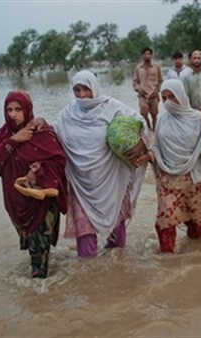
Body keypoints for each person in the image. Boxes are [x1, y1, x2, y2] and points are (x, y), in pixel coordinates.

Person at [51, 70, 149, 258]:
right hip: (81, 183)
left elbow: (140, 123)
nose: (81, 95)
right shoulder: (68, 113)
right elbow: (54, 133)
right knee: (86, 249)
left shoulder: (112, 107)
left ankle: (114, 272)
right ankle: (91, 276)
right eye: (77, 90)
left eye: (85, 89)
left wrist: (139, 146)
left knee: (117, 243)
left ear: (94, 88)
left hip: (111, 179)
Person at [135, 80, 201, 253]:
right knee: (165, 221)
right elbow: (157, 148)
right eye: (165, 98)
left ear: (182, 96)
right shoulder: (162, 121)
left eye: (172, 97)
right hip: (167, 179)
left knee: (195, 222)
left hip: (195, 178)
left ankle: (196, 258)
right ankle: (167, 259)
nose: (169, 103)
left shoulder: (198, 119)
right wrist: (147, 156)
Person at [0, 91, 67, 278]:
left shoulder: (42, 133)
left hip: (41, 202)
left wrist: (37, 169)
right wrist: (15, 140)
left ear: (27, 109)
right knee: (33, 247)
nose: (12, 114)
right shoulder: (5, 133)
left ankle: (38, 298)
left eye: (18, 109)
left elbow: (58, 160)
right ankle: (38, 286)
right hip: (16, 201)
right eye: (9, 109)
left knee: (40, 249)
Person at [133, 47, 163, 131]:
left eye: (149, 54)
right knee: (143, 113)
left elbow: (160, 81)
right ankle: (148, 127)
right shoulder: (138, 68)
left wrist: (157, 90)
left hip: (153, 94)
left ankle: (154, 131)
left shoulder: (156, 67)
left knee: (154, 114)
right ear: (142, 56)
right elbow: (135, 82)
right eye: (145, 54)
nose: (147, 56)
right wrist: (139, 89)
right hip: (143, 95)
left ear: (151, 55)